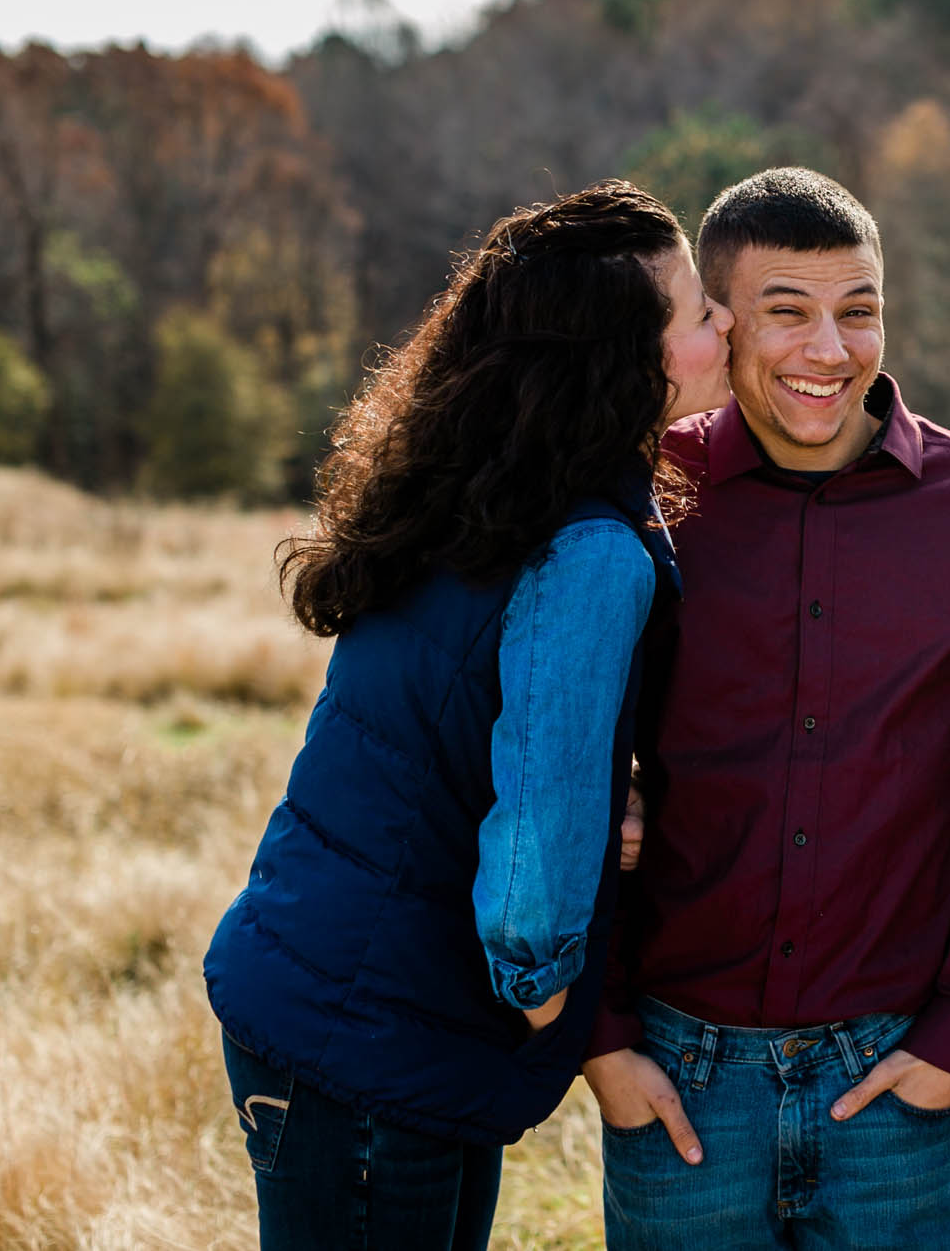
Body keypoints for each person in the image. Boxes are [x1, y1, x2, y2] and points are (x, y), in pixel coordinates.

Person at [202, 181, 732, 1248]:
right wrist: (542, 995)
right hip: (386, 1037)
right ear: (623, 360)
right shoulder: (586, 550)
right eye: (697, 311)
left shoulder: (478, 488)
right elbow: (532, 865)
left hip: (316, 989)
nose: (723, 325)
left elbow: (463, 730)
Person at [580, 168, 950, 1251]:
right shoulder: (640, 496)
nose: (828, 351)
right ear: (717, 323)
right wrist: (601, 1038)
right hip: (676, 1077)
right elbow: (571, 768)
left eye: (859, 310)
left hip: (891, 1077)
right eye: (786, 313)